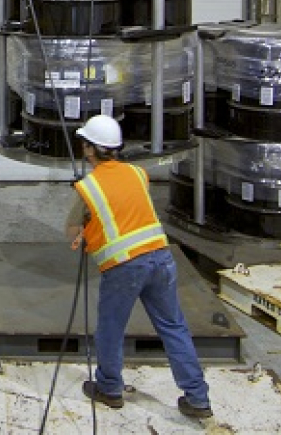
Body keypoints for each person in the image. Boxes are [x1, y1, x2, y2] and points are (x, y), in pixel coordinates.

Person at [66, 114, 213, 419]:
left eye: (84, 143)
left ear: (91, 150)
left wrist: (83, 228)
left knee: (110, 329)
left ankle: (109, 388)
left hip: (125, 268)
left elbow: (72, 230)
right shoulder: (137, 173)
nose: (82, 148)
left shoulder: (87, 188)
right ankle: (198, 398)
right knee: (173, 327)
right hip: (161, 258)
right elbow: (128, 208)